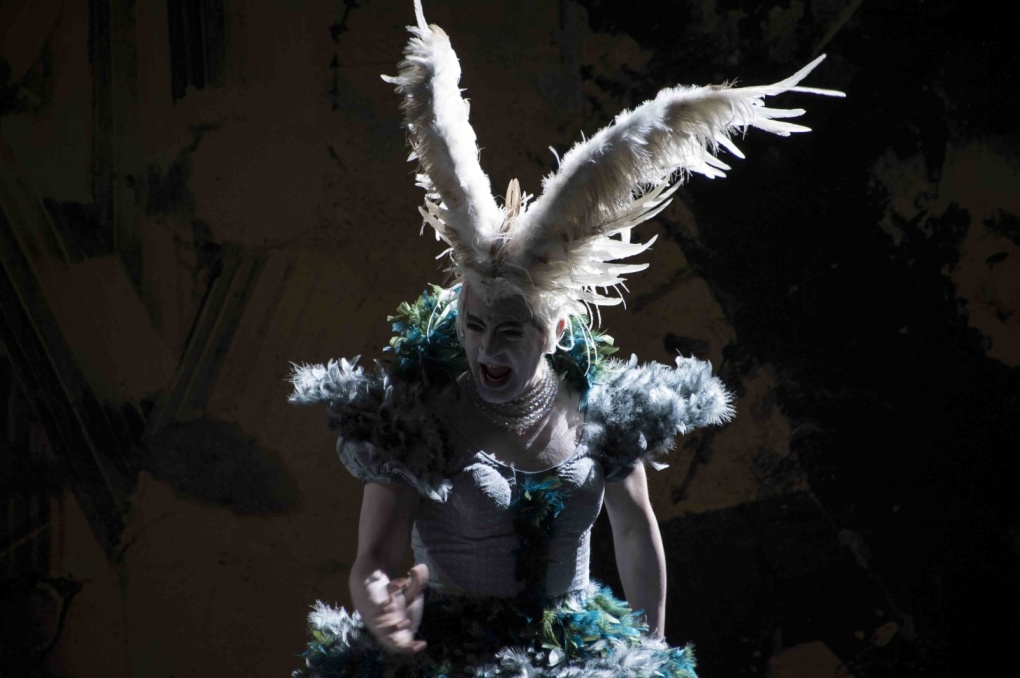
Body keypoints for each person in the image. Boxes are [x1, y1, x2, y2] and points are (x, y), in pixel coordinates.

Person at [288, 2, 843, 675]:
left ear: (552, 330)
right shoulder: (420, 418)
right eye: (474, 327)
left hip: (575, 652)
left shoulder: (598, 407)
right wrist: (378, 602)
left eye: (509, 331)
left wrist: (649, 653)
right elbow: (374, 558)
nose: (488, 349)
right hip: (456, 658)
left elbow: (633, 529)